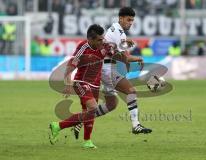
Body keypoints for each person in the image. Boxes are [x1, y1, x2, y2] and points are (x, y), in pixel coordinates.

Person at [49, 24, 135, 148]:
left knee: (88, 112)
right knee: (93, 108)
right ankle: (58, 126)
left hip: (95, 84)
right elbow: (70, 66)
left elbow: (116, 51)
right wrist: (68, 83)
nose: (102, 41)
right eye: (99, 40)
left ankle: (87, 141)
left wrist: (125, 43)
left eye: (103, 38)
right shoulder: (83, 47)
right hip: (81, 83)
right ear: (90, 39)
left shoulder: (105, 45)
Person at [73, 7, 152, 140]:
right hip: (106, 69)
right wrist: (137, 58)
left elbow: (118, 51)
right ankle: (136, 125)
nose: (130, 22)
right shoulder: (117, 32)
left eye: (132, 20)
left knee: (112, 104)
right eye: (128, 19)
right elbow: (124, 57)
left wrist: (126, 45)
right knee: (131, 92)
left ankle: (80, 121)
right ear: (121, 18)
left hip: (106, 68)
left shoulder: (118, 32)